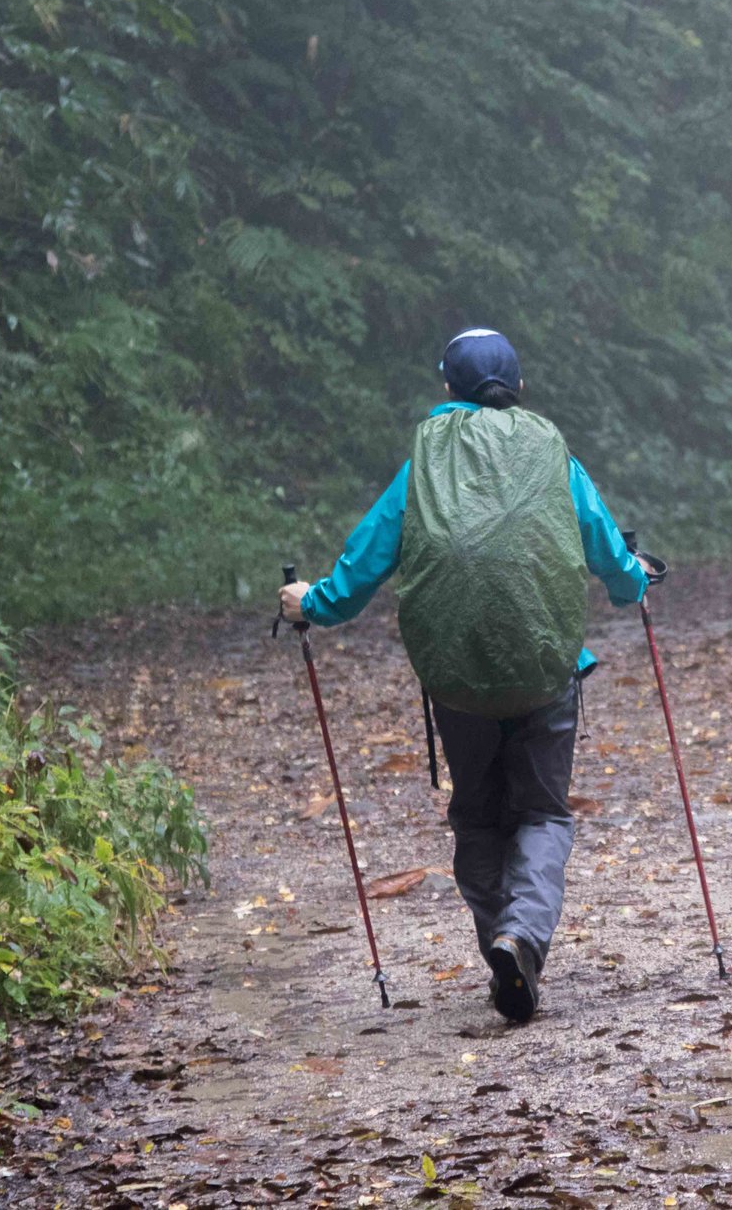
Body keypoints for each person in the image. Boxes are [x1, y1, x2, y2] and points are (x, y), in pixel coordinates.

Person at [279, 328, 653, 1023]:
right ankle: (522, 939)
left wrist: (313, 602)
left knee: (478, 816)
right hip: (546, 670)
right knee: (542, 812)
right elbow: (607, 551)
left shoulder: (423, 459)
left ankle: (504, 950)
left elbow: (365, 562)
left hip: (456, 679)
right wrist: (638, 580)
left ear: (447, 389)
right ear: (521, 387)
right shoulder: (550, 451)